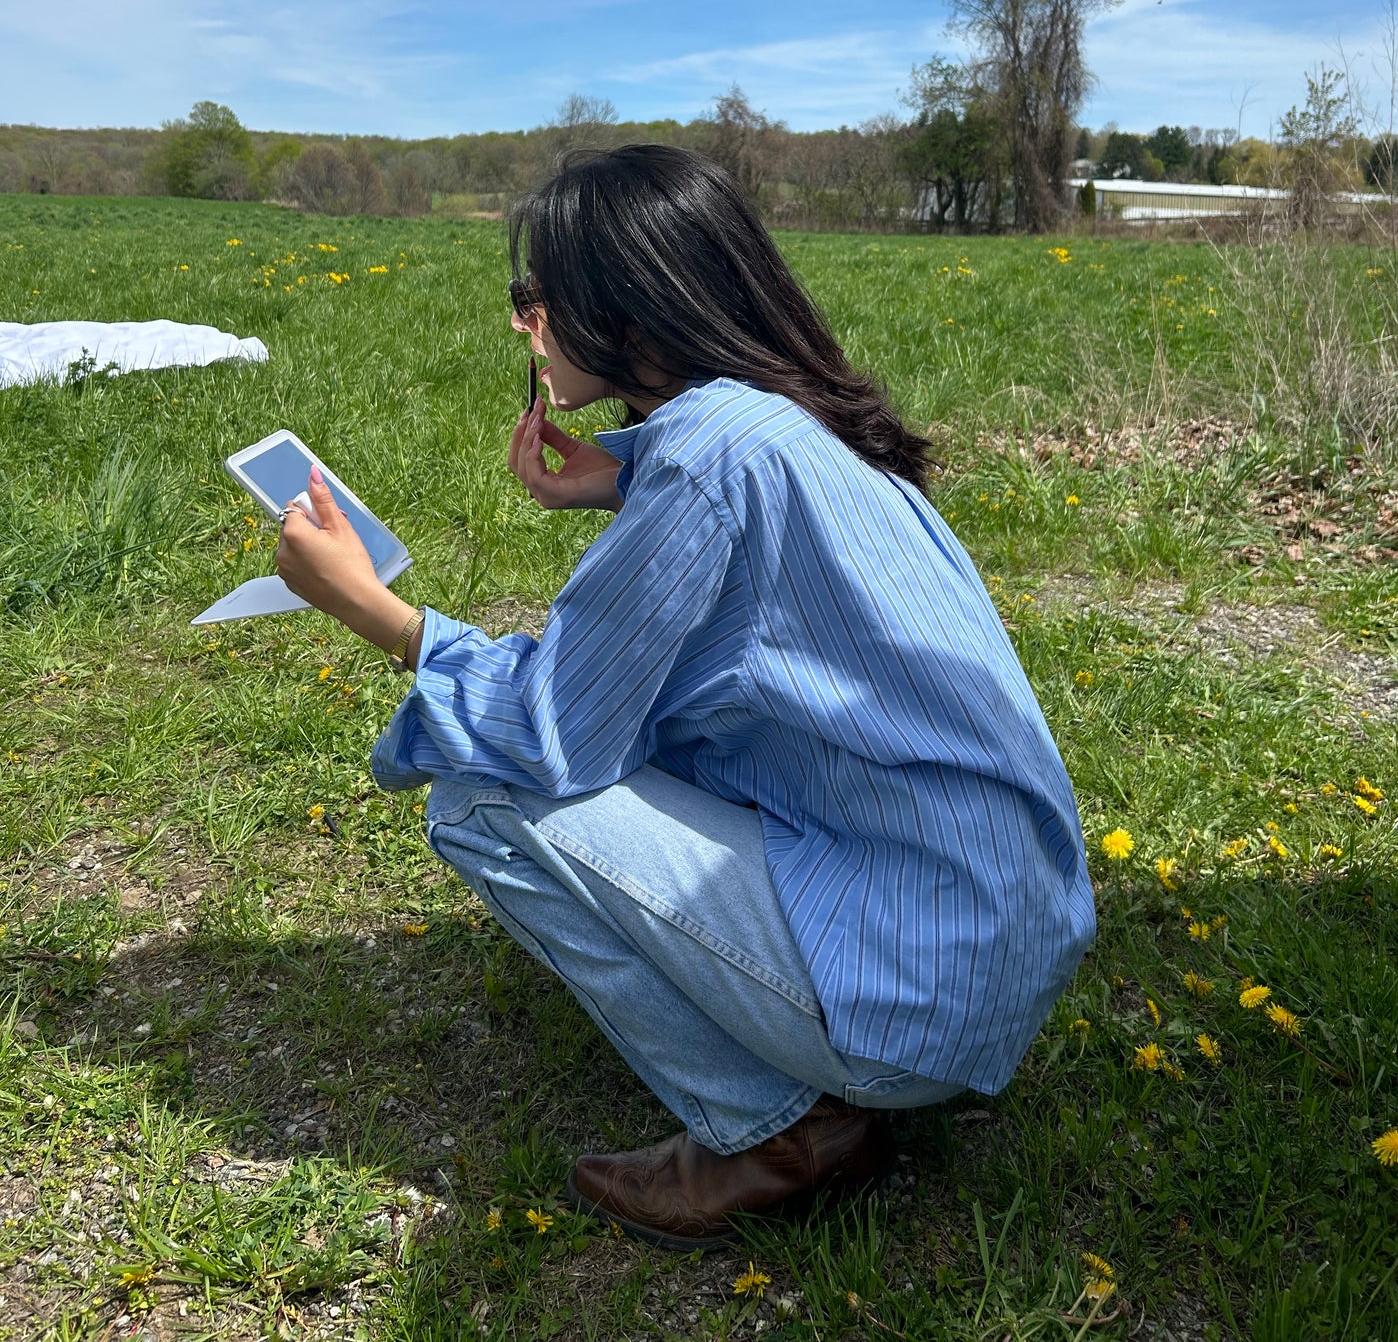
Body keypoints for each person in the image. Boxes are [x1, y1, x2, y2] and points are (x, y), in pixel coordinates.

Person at [275, 144, 1095, 1249]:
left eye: (537, 298)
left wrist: (373, 610)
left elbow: (548, 733)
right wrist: (620, 480)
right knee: (618, 738)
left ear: (631, 308)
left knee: (477, 791)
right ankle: (816, 1068)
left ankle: (780, 1128)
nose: (524, 324)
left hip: (912, 1004)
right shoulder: (777, 418)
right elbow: (731, 605)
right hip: (986, 943)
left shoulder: (707, 458)